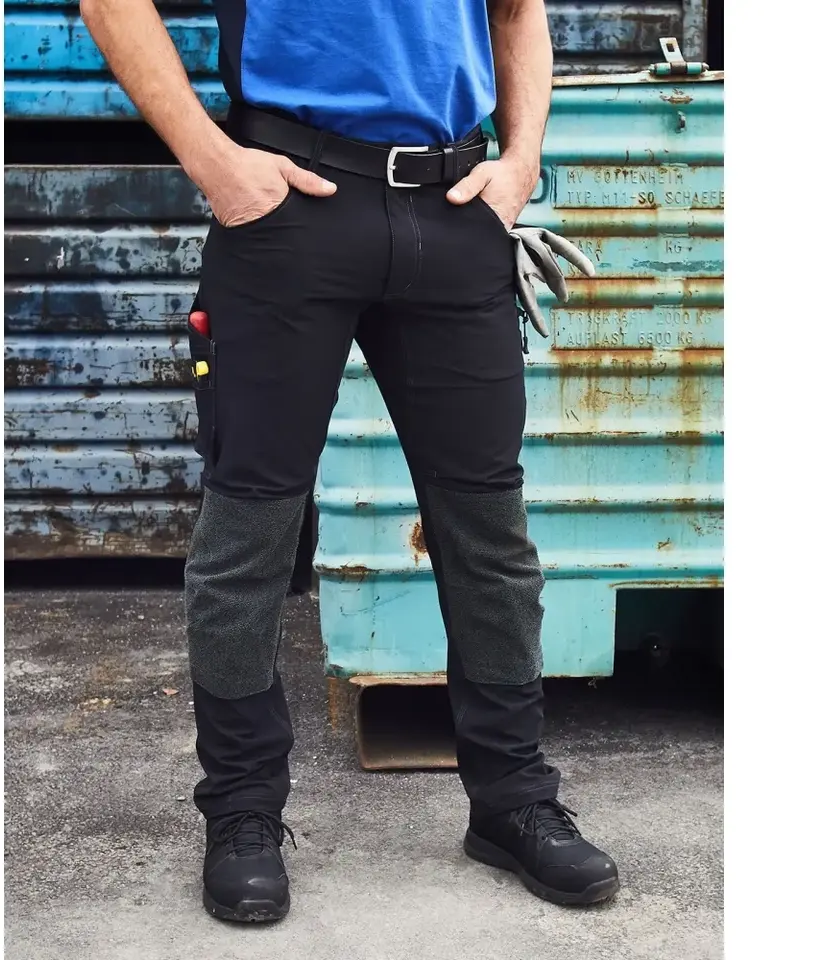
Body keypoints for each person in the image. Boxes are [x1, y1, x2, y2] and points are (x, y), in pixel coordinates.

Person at [81, 0, 620, 922]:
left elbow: (517, 11)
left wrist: (521, 160)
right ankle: (242, 813)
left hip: (455, 209)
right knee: (248, 532)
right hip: (291, 207)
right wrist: (213, 159)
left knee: (488, 531)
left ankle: (513, 799)